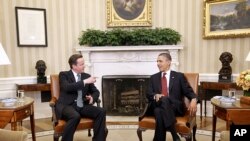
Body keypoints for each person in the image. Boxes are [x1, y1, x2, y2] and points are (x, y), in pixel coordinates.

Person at [147, 52, 198, 141]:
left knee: (159, 112)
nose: (158, 64)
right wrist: (155, 95)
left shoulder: (179, 76)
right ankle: (174, 135)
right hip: (157, 103)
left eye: (160, 61)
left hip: (174, 107)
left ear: (169, 62)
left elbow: (188, 91)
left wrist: (194, 99)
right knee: (163, 100)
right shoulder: (153, 77)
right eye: (157, 61)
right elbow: (148, 93)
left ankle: (159, 139)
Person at [55, 54, 106, 141]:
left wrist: (92, 97)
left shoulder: (86, 76)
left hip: (81, 105)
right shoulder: (64, 75)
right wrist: (85, 82)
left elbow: (96, 91)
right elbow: (67, 87)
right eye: (81, 64)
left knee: (101, 111)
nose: (84, 66)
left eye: (84, 63)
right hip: (67, 105)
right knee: (75, 116)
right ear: (74, 66)